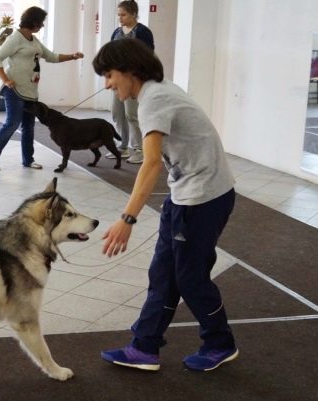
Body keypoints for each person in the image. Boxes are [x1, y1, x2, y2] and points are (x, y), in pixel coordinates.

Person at [93, 38, 238, 372]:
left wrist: (127, 219)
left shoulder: (154, 99)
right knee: (163, 274)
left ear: (130, 70)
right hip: (185, 195)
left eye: (110, 75)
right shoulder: (155, 91)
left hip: (203, 198)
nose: (107, 84)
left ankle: (220, 343)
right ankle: (144, 347)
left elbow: (151, 163)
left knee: (190, 278)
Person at [0, 6, 83, 172]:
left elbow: (51, 56)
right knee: (12, 123)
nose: (42, 26)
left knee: (28, 127)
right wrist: (6, 80)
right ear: (33, 22)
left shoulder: (34, 40)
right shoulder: (15, 38)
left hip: (30, 90)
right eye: (41, 22)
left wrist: (72, 56)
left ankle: (28, 160)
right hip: (14, 89)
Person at [105, 0, 154, 165]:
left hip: (133, 81)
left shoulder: (143, 32)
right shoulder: (116, 32)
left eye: (123, 15)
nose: (120, 18)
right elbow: (110, 53)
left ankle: (139, 149)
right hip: (117, 79)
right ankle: (122, 146)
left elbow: (147, 56)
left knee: (131, 114)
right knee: (117, 113)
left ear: (134, 14)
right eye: (118, 15)